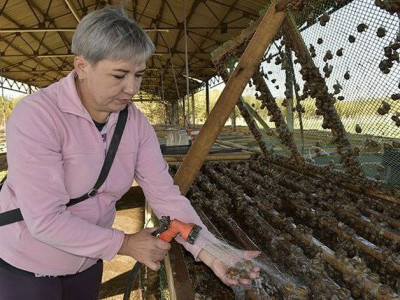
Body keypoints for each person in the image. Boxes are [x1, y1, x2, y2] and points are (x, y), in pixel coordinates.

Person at [0, 5, 259, 300]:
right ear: (82, 66)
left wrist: (212, 251)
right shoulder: (37, 116)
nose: (131, 88)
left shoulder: (133, 123)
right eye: (119, 75)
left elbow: (164, 195)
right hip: (28, 263)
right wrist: (125, 244)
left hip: (86, 262)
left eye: (138, 75)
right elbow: (45, 219)